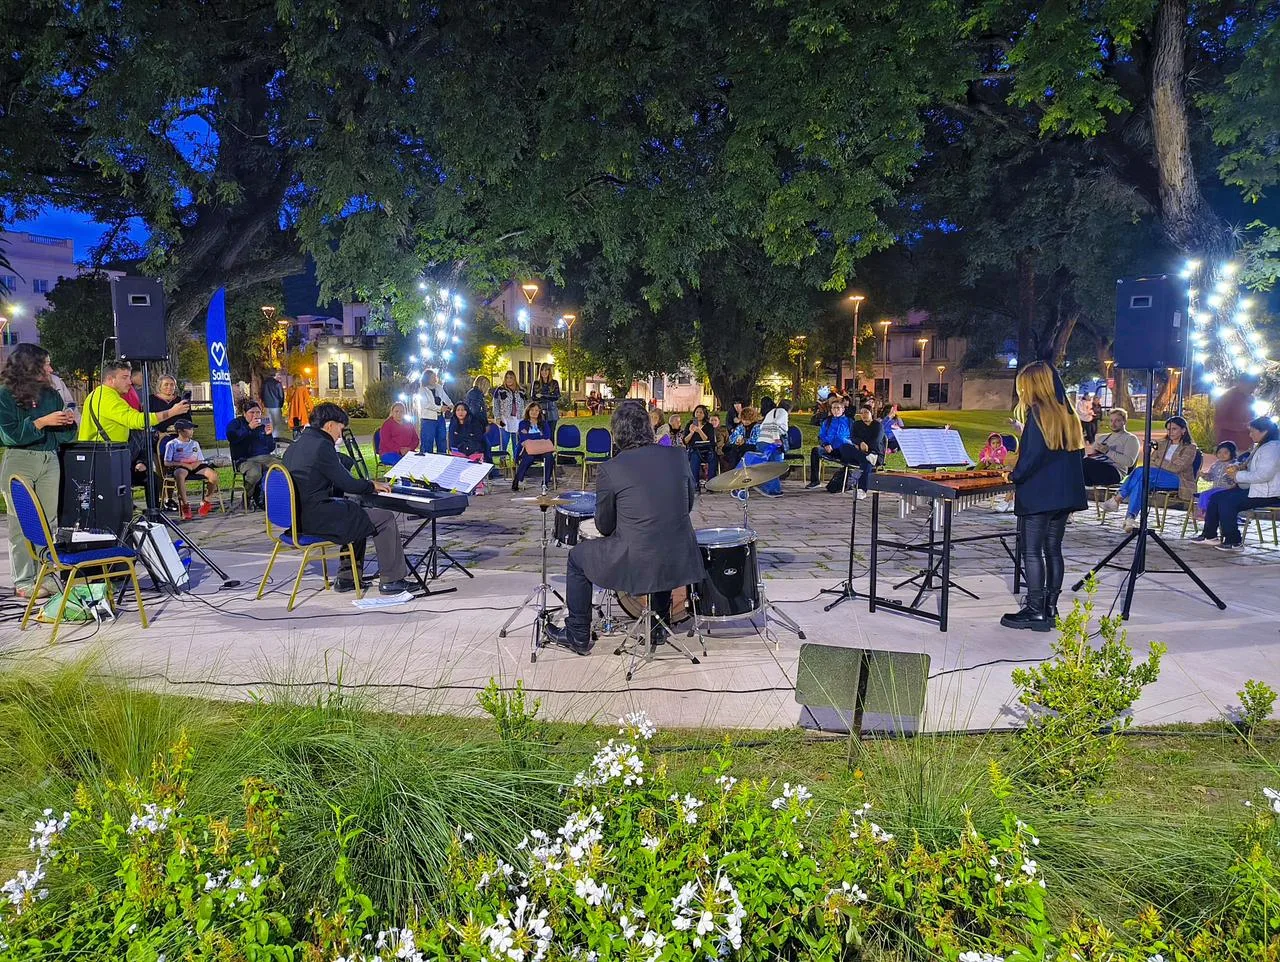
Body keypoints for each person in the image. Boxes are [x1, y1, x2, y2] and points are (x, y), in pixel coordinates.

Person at [544, 401, 704, 654]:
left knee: (577, 558)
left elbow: (604, 526)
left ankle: (577, 633)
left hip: (639, 560)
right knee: (658, 538)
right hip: (680, 555)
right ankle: (657, 627)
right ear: (648, 429)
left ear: (617, 433)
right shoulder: (678, 456)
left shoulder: (611, 468)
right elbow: (687, 505)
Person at [282, 403, 408, 595]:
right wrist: (371, 485)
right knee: (384, 518)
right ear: (330, 425)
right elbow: (347, 483)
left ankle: (347, 578)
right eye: (340, 428)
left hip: (296, 517)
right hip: (314, 519)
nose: (340, 435)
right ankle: (392, 580)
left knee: (355, 510)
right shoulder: (322, 446)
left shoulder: (296, 445)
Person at [1001, 360, 1086, 631]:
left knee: (1031, 550)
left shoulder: (1038, 415)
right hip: (1064, 496)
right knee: (1053, 550)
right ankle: (1050, 608)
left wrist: (1012, 476)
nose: (1022, 393)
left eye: (1024, 387)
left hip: (1040, 495)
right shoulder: (1067, 414)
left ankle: (1034, 610)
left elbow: (1031, 459)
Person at [0, 344, 77, 600]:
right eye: (46, 364)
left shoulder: (51, 394)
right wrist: (42, 422)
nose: (50, 369)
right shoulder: (4, 395)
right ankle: (24, 580)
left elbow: (64, 436)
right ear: (30, 366)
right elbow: (10, 435)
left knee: (48, 522)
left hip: (49, 459)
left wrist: (67, 423)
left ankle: (48, 575)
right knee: (21, 523)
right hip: (20, 460)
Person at [1194, 417, 1280, 551]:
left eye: (1253, 431)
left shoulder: (1272, 449)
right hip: (1255, 489)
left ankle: (1234, 540)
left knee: (1227, 502)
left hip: (1267, 493)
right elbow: (1253, 468)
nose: (1250, 435)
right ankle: (1209, 535)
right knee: (1217, 497)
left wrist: (1237, 475)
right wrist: (1240, 467)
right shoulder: (1261, 447)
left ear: (1265, 431)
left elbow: (1264, 475)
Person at [1101, 416, 1198, 532]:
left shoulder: (1190, 447)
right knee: (1141, 480)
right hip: (1155, 476)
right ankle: (1130, 519)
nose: (1170, 432)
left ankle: (1117, 498)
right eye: (1168, 429)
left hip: (1179, 479)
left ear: (1183, 430)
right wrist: (1160, 464)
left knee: (1141, 471)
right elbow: (1150, 463)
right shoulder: (1162, 444)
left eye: (1174, 429)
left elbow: (1177, 468)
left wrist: (1159, 462)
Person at [226, 396, 282, 508]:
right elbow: (232, 437)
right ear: (244, 413)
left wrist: (269, 435)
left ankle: (278, 497)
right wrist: (248, 428)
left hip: (265, 457)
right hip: (244, 459)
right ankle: (246, 498)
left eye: (258, 412)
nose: (256, 415)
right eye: (252, 412)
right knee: (255, 472)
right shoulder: (236, 424)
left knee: (284, 466)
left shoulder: (263, 424)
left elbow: (270, 448)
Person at [162, 419, 221, 519]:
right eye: (189, 429)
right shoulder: (172, 444)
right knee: (180, 475)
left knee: (213, 475)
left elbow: (200, 459)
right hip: (180, 465)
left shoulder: (195, 443)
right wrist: (183, 464)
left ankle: (207, 501)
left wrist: (194, 465)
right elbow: (167, 462)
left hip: (195, 465)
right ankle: (185, 505)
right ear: (180, 431)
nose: (192, 431)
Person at [826, 404, 883, 496]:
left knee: (865, 463)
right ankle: (867, 459)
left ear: (871, 413)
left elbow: (876, 441)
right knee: (844, 447)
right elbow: (853, 438)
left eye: (866, 412)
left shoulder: (878, 425)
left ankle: (861, 489)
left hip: (874, 453)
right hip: (860, 453)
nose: (864, 415)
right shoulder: (857, 424)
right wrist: (860, 443)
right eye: (861, 413)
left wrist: (865, 447)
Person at [1082, 408, 1140, 486]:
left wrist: (1108, 452)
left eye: (1117, 421)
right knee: (1077, 465)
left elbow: (1129, 462)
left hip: (1115, 471)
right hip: (1095, 466)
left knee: (1085, 464)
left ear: (1124, 422)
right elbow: (1091, 456)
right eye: (1111, 420)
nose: (1113, 424)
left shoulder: (1130, 439)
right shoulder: (1102, 438)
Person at [806, 398, 853, 489]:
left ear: (843, 409)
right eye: (833, 408)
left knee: (842, 440)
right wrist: (825, 444)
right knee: (816, 451)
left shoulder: (850, 422)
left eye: (838, 408)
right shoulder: (827, 421)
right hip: (829, 448)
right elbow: (822, 436)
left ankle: (845, 480)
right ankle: (815, 481)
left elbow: (854, 438)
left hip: (843, 449)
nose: (835, 410)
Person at [512, 401, 555, 491]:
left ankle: (545, 482)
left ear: (539, 412)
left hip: (542, 448)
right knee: (528, 457)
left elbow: (547, 436)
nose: (534, 412)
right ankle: (518, 479)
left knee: (549, 457)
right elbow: (523, 437)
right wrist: (539, 435)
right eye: (532, 410)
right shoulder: (523, 423)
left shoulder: (544, 423)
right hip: (528, 449)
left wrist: (531, 436)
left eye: (536, 410)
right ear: (528, 411)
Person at [1192, 441, 1239, 523]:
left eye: (1225, 453)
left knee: (1208, 494)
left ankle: (1205, 513)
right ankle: (1202, 512)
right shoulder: (1215, 465)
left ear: (1232, 453)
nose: (1222, 455)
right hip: (1216, 488)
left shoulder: (1235, 465)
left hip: (1228, 489)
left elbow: (1236, 479)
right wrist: (1204, 475)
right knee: (1204, 494)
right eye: (1219, 452)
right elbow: (1210, 478)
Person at [416, 370, 452, 454]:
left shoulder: (438, 387)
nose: (435, 379)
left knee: (442, 439)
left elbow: (445, 397)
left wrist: (451, 405)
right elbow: (426, 404)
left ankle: (441, 457)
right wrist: (439, 408)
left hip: (440, 418)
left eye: (435, 376)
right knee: (428, 440)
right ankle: (426, 458)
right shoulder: (422, 390)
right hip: (428, 419)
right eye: (433, 377)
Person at [492, 371, 525, 460]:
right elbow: (496, 404)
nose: (509, 380)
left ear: (514, 378)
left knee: (517, 441)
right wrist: (497, 417)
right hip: (504, 420)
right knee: (504, 440)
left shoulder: (521, 390)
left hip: (518, 420)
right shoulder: (500, 390)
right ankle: (502, 460)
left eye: (511, 377)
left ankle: (516, 460)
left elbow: (526, 404)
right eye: (507, 378)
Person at [684, 404, 718, 489]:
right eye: (697, 412)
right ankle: (695, 485)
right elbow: (685, 441)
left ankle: (711, 484)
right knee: (695, 457)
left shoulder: (709, 426)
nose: (698, 414)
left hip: (707, 449)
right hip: (694, 449)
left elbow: (709, 440)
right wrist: (691, 432)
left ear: (704, 414)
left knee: (713, 457)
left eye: (701, 412)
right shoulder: (689, 425)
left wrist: (699, 430)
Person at [377, 402, 419, 466]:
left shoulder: (409, 424)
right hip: (389, 452)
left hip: (408, 452)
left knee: (420, 461)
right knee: (403, 463)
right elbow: (386, 441)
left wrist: (409, 448)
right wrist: (400, 449)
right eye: (396, 411)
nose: (399, 414)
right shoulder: (387, 424)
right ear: (392, 413)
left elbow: (415, 439)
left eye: (401, 412)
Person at [530, 363, 562, 447]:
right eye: (542, 370)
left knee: (551, 434)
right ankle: (540, 453)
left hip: (552, 412)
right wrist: (548, 397)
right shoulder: (536, 383)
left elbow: (556, 396)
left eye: (546, 370)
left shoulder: (554, 383)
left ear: (549, 371)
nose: (544, 372)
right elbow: (533, 397)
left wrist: (543, 396)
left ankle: (550, 453)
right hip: (540, 412)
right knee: (540, 433)